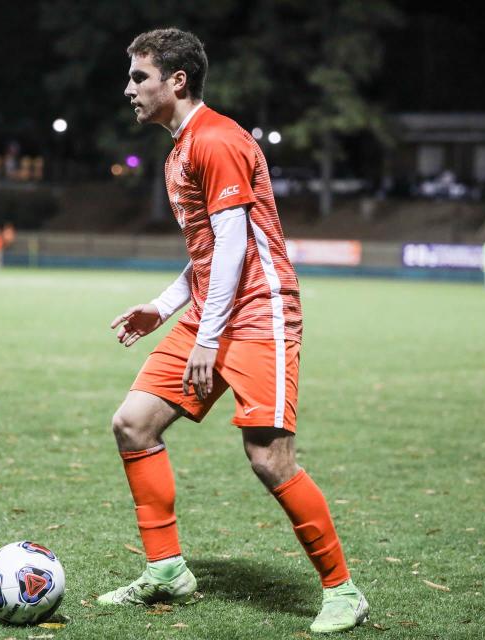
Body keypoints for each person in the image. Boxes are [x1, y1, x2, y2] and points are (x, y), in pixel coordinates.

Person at [98, 29, 367, 634]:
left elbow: (237, 247)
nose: (129, 88)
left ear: (177, 81)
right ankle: (166, 570)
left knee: (270, 458)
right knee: (133, 424)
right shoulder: (180, 147)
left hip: (260, 314)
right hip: (216, 310)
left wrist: (206, 337)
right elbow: (208, 251)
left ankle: (343, 591)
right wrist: (165, 308)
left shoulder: (217, 139)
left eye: (140, 77)